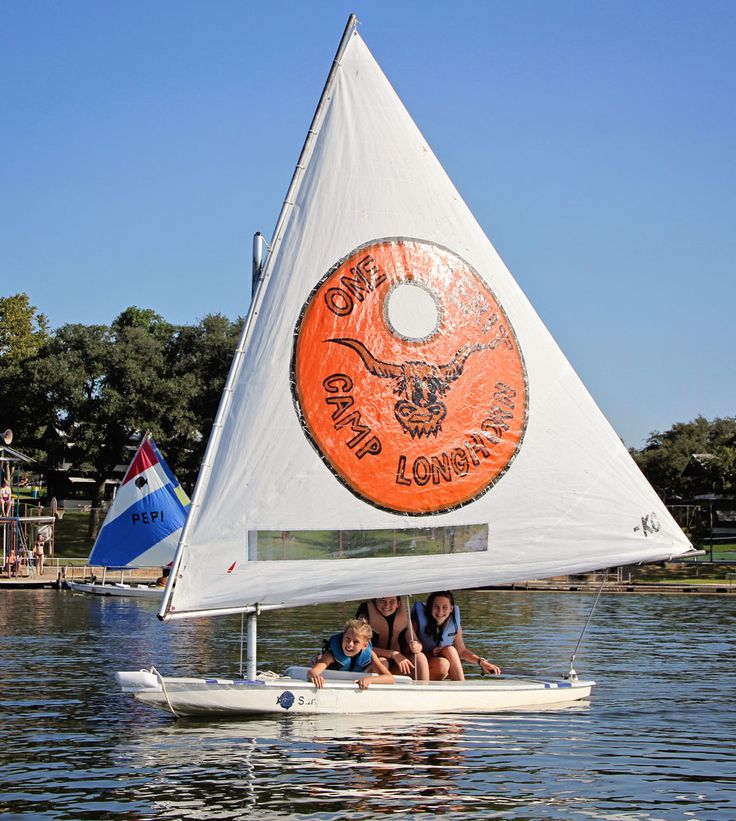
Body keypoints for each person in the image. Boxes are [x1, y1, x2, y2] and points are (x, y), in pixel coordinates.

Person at [412, 590, 501, 681]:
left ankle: (461, 686)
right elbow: (406, 650)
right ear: (430, 607)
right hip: (415, 665)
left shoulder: (455, 625)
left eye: (444, 607)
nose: (440, 611)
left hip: (435, 666)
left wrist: (481, 662)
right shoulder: (416, 622)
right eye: (436, 607)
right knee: (443, 664)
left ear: (451, 609)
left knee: (450, 650)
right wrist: (429, 653)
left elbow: (461, 651)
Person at [307, 618, 395, 689]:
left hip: (355, 673)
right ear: (342, 637)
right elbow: (312, 672)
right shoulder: (331, 655)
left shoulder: (370, 655)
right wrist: (316, 676)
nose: (350, 644)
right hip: (330, 671)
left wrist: (370, 680)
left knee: (383, 661)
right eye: (347, 639)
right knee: (318, 659)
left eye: (356, 642)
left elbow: (390, 678)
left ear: (364, 645)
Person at [355, 596, 429, 680]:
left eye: (392, 601)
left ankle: (423, 689)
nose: (387, 605)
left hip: (397, 665)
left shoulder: (403, 617)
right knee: (383, 662)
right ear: (375, 600)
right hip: (375, 662)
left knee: (420, 657)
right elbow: (360, 647)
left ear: (398, 603)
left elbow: (416, 641)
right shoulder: (364, 617)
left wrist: (416, 646)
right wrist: (392, 654)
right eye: (382, 600)